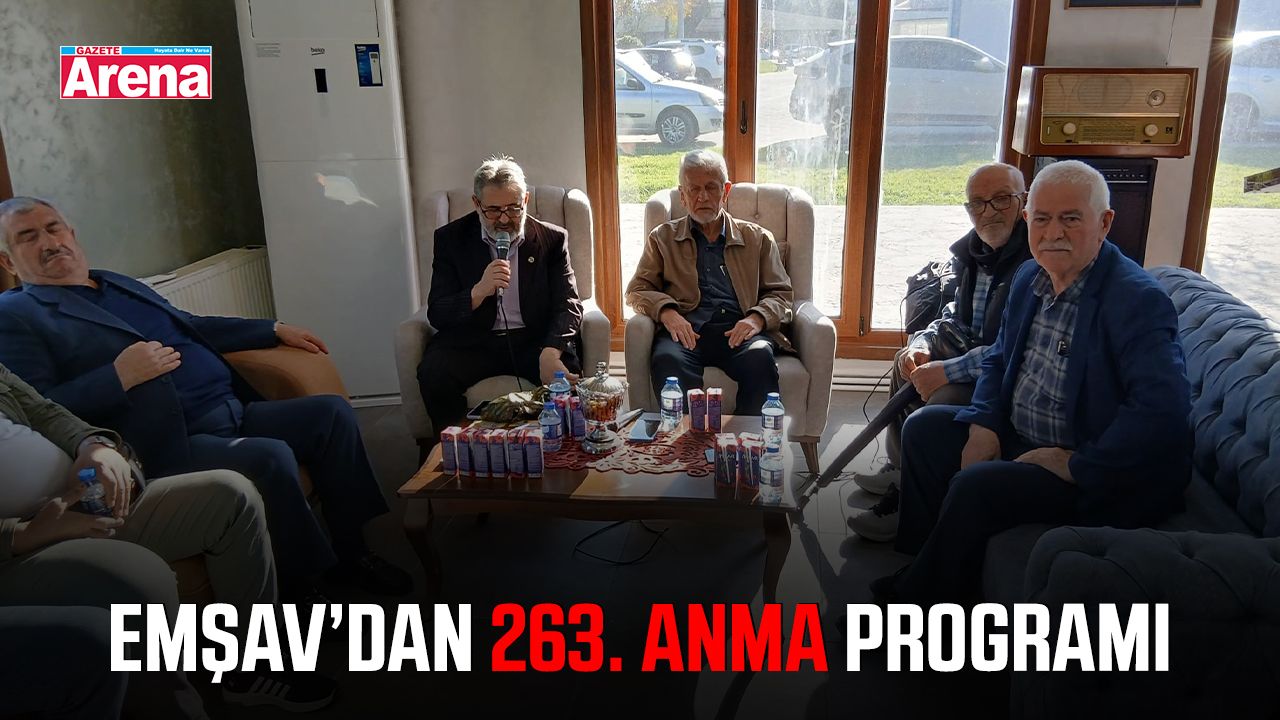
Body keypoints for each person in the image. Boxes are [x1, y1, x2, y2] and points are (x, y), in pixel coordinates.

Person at [0, 196, 410, 602]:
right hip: (169, 440)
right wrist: (117, 378)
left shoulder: (114, 282)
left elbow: (190, 325)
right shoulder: (16, 313)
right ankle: (302, 585)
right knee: (269, 457)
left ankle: (353, 553)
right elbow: (38, 408)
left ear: (71, 234)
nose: (49, 242)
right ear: (8, 260)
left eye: (53, 228)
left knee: (330, 413)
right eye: (28, 237)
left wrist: (272, 329)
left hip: (230, 408)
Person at [868, 160, 1191, 604]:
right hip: (1024, 436)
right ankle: (925, 566)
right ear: (1028, 219)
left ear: (1104, 223)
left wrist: (1076, 464)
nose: (1053, 232)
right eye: (1042, 219)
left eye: (1070, 219)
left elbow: (1163, 414)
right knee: (923, 430)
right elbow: (1000, 357)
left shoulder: (1136, 300)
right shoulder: (1030, 277)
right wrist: (984, 424)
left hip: (1095, 465)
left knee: (976, 488)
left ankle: (918, 602)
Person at [0, 361, 333, 714]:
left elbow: (46, 412)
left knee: (232, 495)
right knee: (143, 574)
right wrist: (27, 532)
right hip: (21, 544)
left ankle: (249, 667)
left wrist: (94, 446)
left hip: (83, 502)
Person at [849, 163, 1033, 538]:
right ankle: (901, 469)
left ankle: (907, 502)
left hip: (1006, 378)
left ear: (1024, 202)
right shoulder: (974, 255)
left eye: (1001, 199)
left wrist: (948, 371)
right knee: (904, 364)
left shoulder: (1034, 262)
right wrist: (921, 343)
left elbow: (1014, 349)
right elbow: (954, 315)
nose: (988, 212)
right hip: (974, 358)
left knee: (941, 398)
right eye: (977, 203)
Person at [417, 155, 583, 433]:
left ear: (526, 200)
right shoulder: (451, 239)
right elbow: (437, 311)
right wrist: (478, 292)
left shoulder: (552, 240)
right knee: (433, 373)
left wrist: (551, 350)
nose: (505, 219)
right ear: (476, 204)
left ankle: (559, 448)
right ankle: (454, 447)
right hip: (473, 341)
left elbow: (569, 304)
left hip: (532, 340)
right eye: (493, 210)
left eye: (514, 208)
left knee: (566, 375)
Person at [625, 149, 793, 414]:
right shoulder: (662, 238)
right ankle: (685, 438)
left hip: (739, 331)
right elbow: (637, 289)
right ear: (682, 195)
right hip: (686, 332)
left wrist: (756, 319)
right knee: (667, 359)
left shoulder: (758, 238)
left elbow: (781, 294)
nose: (702, 197)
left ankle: (747, 437)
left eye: (711, 187)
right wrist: (667, 313)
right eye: (693, 189)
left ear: (725, 191)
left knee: (760, 356)